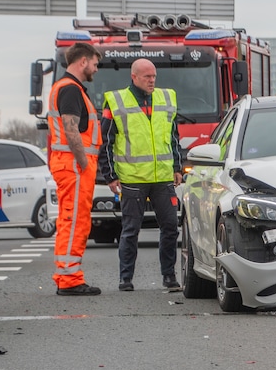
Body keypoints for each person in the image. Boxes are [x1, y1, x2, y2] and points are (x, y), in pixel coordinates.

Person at [98, 58, 184, 293]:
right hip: (133, 179)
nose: (152, 80)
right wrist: (110, 176)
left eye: (154, 76)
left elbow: (173, 136)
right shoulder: (116, 102)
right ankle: (126, 278)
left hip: (163, 178)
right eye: (147, 76)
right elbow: (105, 142)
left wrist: (177, 166)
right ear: (134, 77)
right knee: (130, 230)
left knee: (170, 228)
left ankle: (169, 277)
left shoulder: (166, 98)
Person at [48, 42, 105, 296]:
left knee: (69, 220)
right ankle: (70, 279)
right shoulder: (71, 89)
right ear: (83, 62)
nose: (95, 69)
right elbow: (71, 129)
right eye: (94, 63)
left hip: (69, 164)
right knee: (75, 222)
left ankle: (65, 275)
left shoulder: (67, 88)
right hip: (74, 165)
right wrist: (83, 162)